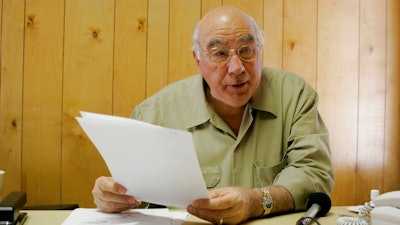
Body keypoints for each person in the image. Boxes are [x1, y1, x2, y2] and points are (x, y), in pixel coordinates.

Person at [92, 6, 334, 225]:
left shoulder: (295, 95)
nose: (237, 68)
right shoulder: (155, 113)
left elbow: (314, 173)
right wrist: (112, 198)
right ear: (198, 60)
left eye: (246, 50)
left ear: (260, 51)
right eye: (219, 54)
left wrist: (257, 201)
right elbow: (136, 195)